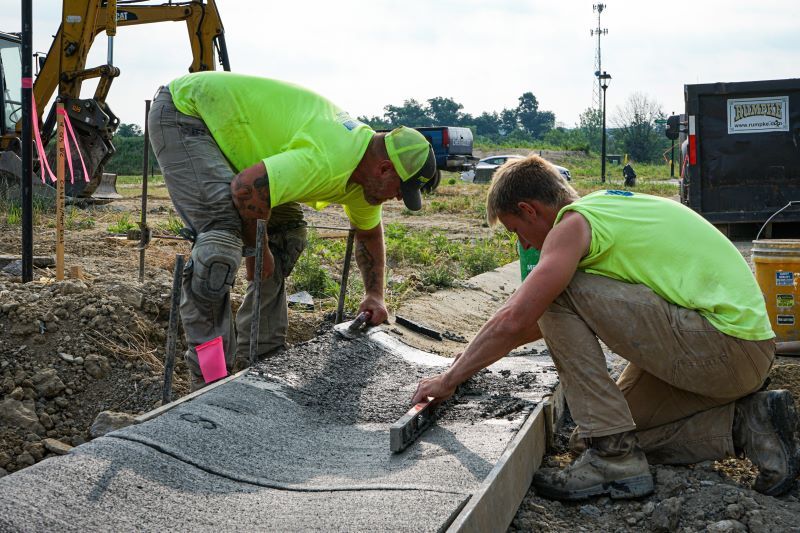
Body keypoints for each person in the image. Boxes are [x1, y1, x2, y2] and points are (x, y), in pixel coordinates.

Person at [412, 155, 800, 500]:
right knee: (592, 439)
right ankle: (746, 425)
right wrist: (467, 359)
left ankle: (612, 455)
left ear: (529, 210)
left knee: (555, 296)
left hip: (722, 345)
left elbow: (521, 317)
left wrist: (450, 378)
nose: (526, 246)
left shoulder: (573, 224)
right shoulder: (607, 212)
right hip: (738, 353)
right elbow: (528, 326)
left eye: (517, 232)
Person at [148, 71, 436, 390]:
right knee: (218, 252)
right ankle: (210, 379)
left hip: (247, 156)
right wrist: (257, 251)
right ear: (384, 168)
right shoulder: (329, 158)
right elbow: (247, 188)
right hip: (188, 112)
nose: (397, 197)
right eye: (400, 189)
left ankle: (262, 357)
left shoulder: (365, 181)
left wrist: (374, 294)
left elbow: (368, 234)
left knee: (286, 236)